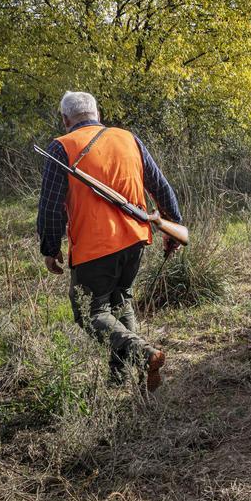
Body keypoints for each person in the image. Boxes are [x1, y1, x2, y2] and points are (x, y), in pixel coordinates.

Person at [36, 91, 183, 391]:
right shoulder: (128, 138)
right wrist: (173, 226)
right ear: (97, 114)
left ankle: (143, 354)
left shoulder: (61, 147)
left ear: (65, 120)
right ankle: (120, 378)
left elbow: (50, 206)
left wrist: (50, 249)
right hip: (135, 239)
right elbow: (160, 186)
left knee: (90, 313)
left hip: (95, 247)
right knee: (120, 301)